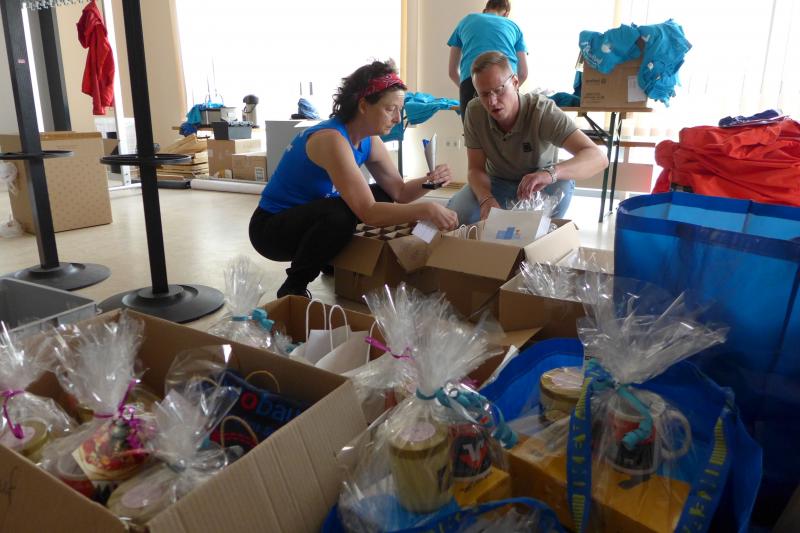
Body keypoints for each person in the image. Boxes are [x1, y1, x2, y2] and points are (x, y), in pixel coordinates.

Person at [249, 61, 458, 298]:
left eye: (400, 110)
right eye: (391, 109)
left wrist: (430, 181)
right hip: (271, 230)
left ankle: (328, 256)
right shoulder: (331, 139)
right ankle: (294, 285)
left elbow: (399, 192)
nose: (397, 118)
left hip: (309, 217)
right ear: (363, 106)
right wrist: (427, 209)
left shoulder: (369, 140)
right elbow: (369, 212)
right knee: (341, 215)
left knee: (382, 195)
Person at [447, 51, 608, 223]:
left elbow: (598, 158)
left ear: (515, 83)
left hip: (540, 184)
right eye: (484, 94)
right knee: (457, 217)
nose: (492, 101)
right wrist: (486, 199)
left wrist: (551, 173)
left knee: (560, 187)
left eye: (499, 90)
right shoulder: (475, 111)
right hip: (496, 182)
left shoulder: (543, 111)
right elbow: (475, 169)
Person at [447, 0, 528, 121]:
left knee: (474, 131)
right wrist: (508, 89)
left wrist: (470, 88)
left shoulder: (466, 21)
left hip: (471, 82)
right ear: (506, 13)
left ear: (485, 10)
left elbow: (452, 72)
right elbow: (524, 73)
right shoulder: (514, 26)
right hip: (505, 82)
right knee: (509, 132)